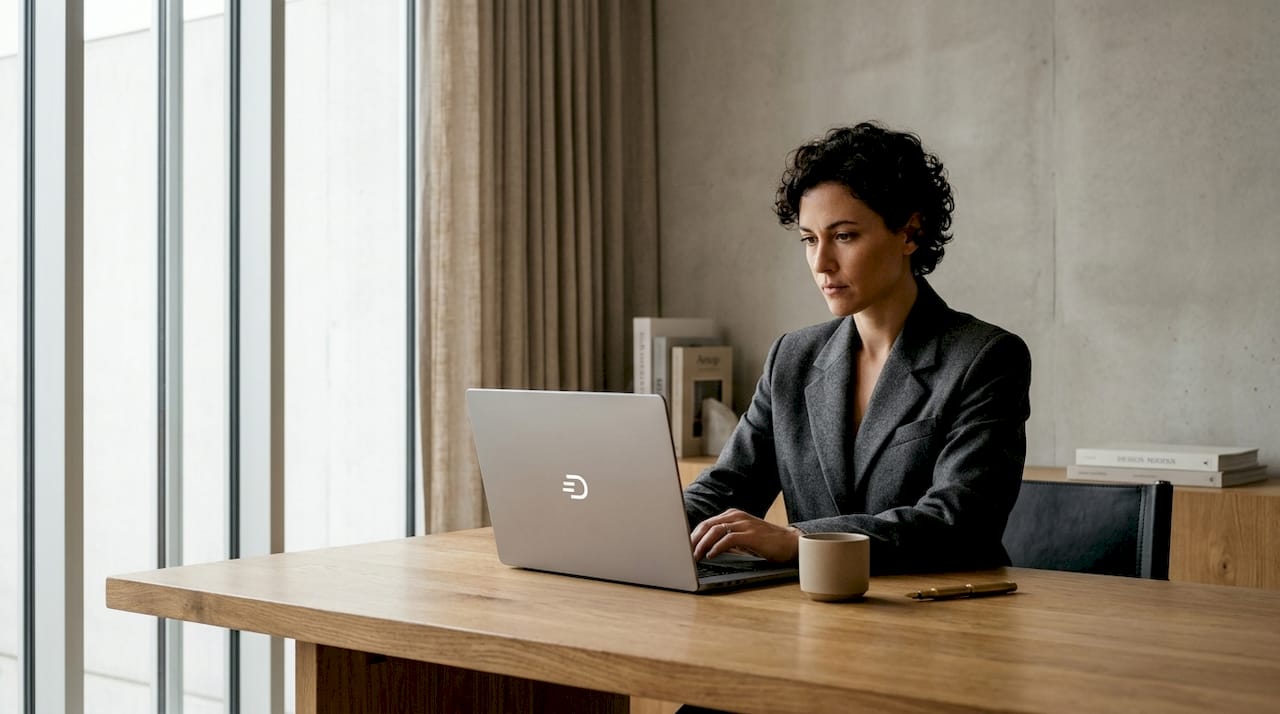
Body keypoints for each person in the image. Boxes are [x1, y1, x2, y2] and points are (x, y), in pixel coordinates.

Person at [683, 121, 1032, 574]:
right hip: (816, 611)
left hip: (944, 615)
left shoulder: (985, 358)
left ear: (910, 232)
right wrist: (643, 526)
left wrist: (798, 540)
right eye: (810, 239)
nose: (822, 263)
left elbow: (958, 522)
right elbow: (726, 488)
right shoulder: (792, 356)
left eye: (844, 236)